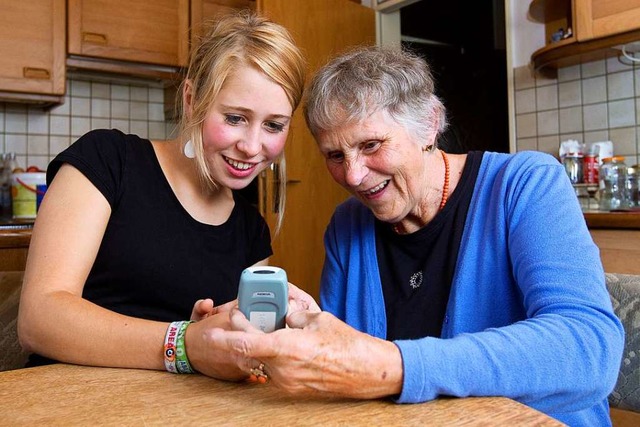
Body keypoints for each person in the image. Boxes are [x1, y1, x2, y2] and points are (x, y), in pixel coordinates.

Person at [205, 46, 625, 426]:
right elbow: (348, 370)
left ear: (429, 126)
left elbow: (588, 349)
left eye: (371, 144)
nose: (352, 175)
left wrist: (393, 365)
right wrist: (302, 330)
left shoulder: (525, 185)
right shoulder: (348, 225)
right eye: (335, 155)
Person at [17, 11, 316, 380]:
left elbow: (237, 355)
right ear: (191, 99)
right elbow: (39, 319)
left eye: (273, 125)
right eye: (235, 118)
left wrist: (255, 335)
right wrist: (185, 342)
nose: (253, 146)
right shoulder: (108, 161)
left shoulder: (250, 230)